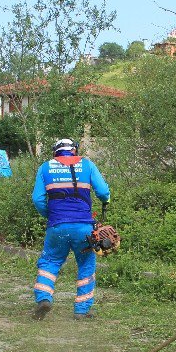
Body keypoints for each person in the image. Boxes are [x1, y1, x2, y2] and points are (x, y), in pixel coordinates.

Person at [31, 138, 111, 321]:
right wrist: (106, 201)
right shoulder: (88, 165)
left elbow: (37, 199)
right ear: (75, 150)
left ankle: (44, 298)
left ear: (55, 152)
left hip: (57, 226)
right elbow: (103, 191)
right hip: (84, 227)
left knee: (50, 262)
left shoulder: (45, 168)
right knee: (86, 265)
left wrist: (50, 215)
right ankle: (81, 310)